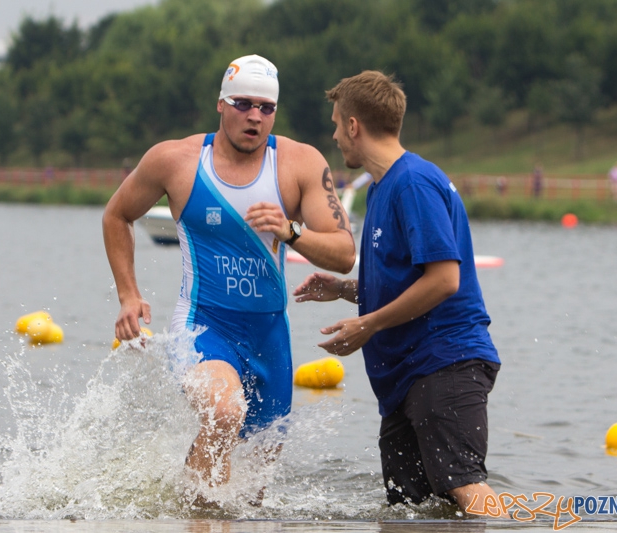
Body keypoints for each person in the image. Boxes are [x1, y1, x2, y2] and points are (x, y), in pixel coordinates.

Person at [103, 54, 355, 490]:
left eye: (266, 108)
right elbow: (116, 216)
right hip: (204, 324)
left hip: (269, 337)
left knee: (253, 492)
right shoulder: (175, 160)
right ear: (221, 104)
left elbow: (343, 253)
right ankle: (196, 517)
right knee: (224, 412)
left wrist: (291, 231)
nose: (254, 117)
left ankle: (183, 505)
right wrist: (129, 294)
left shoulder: (300, 164)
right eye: (243, 104)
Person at [293, 71, 504, 516]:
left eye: (336, 123)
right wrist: (347, 290)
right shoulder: (382, 188)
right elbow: (407, 279)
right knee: (411, 510)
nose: (334, 135)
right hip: (408, 379)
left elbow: (445, 280)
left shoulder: (413, 183)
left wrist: (367, 324)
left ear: (354, 125)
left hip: (445, 363)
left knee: (466, 491)